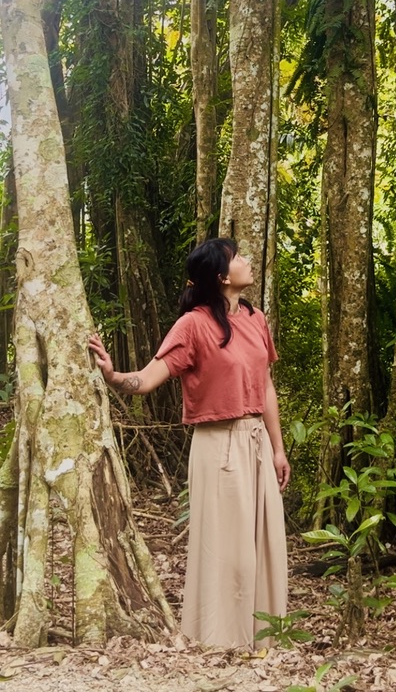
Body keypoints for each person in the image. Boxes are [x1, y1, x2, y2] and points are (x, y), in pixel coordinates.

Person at [89, 237, 290, 650]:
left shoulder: (256, 319)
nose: (247, 262)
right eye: (238, 258)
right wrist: (112, 376)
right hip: (218, 445)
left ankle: (266, 635)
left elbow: (266, 386)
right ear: (221, 276)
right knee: (229, 548)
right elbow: (147, 379)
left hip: (256, 441)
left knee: (265, 543)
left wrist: (278, 447)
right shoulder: (193, 324)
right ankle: (221, 637)